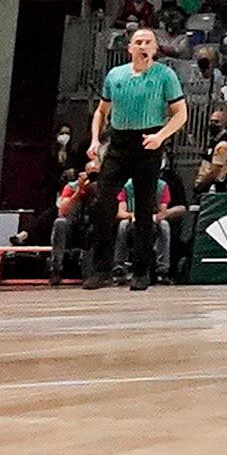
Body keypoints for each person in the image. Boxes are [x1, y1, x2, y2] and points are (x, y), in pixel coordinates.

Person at [93, 23, 187, 289]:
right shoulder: (115, 75)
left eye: (148, 42)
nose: (143, 46)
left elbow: (181, 113)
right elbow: (101, 110)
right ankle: (100, 269)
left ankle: (142, 272)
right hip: (120, 141)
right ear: (129, 48)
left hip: (149, 140)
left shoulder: (165, 75)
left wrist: (161, 136)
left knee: (145, 208)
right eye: (139, 42)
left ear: (155, 48)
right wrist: (94, 138)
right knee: (102, 203)